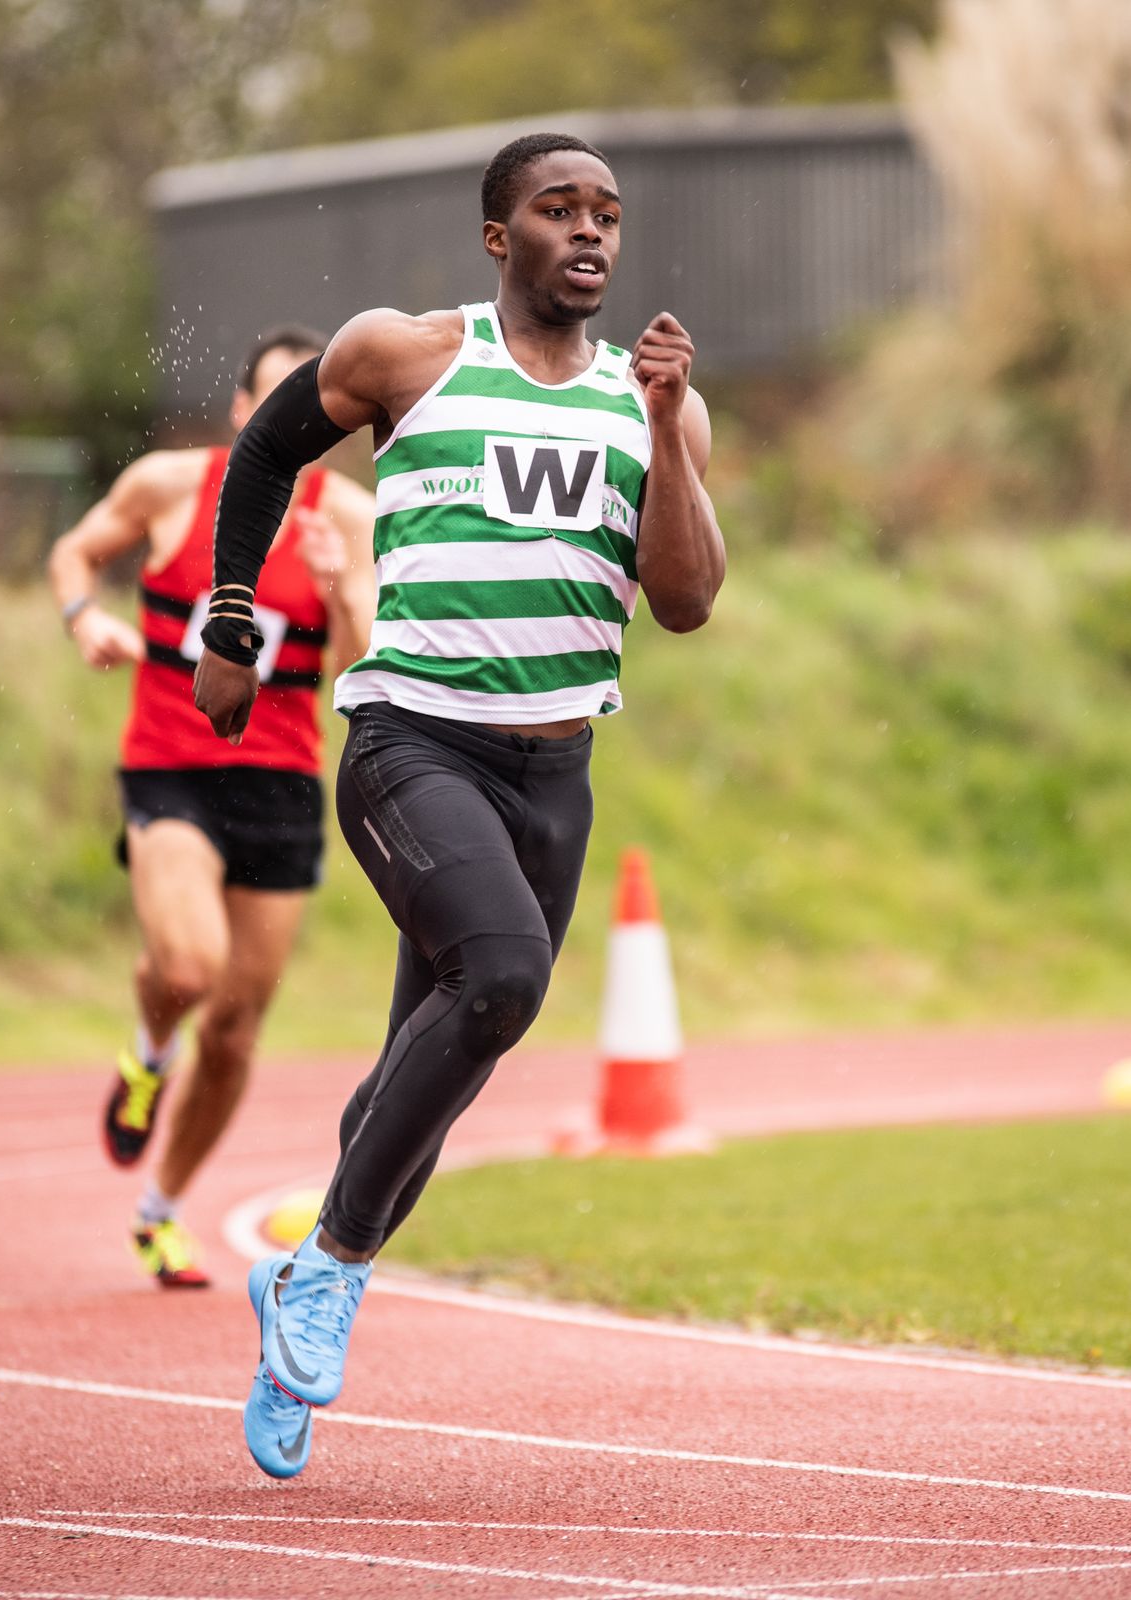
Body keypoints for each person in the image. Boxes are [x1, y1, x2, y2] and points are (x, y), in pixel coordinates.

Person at [190, 132, 727, 1477]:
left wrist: (668, 427)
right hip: (413, 744)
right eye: (560, 209)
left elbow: (684, 602)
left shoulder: (651, 403)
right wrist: (234, 616)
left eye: (608, 213)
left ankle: (292, 1312)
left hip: (556, 776)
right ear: (500, 237)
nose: (590, 231)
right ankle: (329, 1268)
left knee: (424, 1084)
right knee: (501, 980)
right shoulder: (407, 355)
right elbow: (263, 455)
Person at [46, 325, 375, 1290]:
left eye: (316, 409)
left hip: (282, 782)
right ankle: (149, 1054)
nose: (296, 423)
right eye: (277, 401)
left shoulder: (349, 519)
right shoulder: (169, 485)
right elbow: (74, 552)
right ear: (241, 409)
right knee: (190, 966)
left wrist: (337, 588)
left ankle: (160, 1213)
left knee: (234, 1032)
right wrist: (84, 617)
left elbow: (360, 671)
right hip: (171, 767)